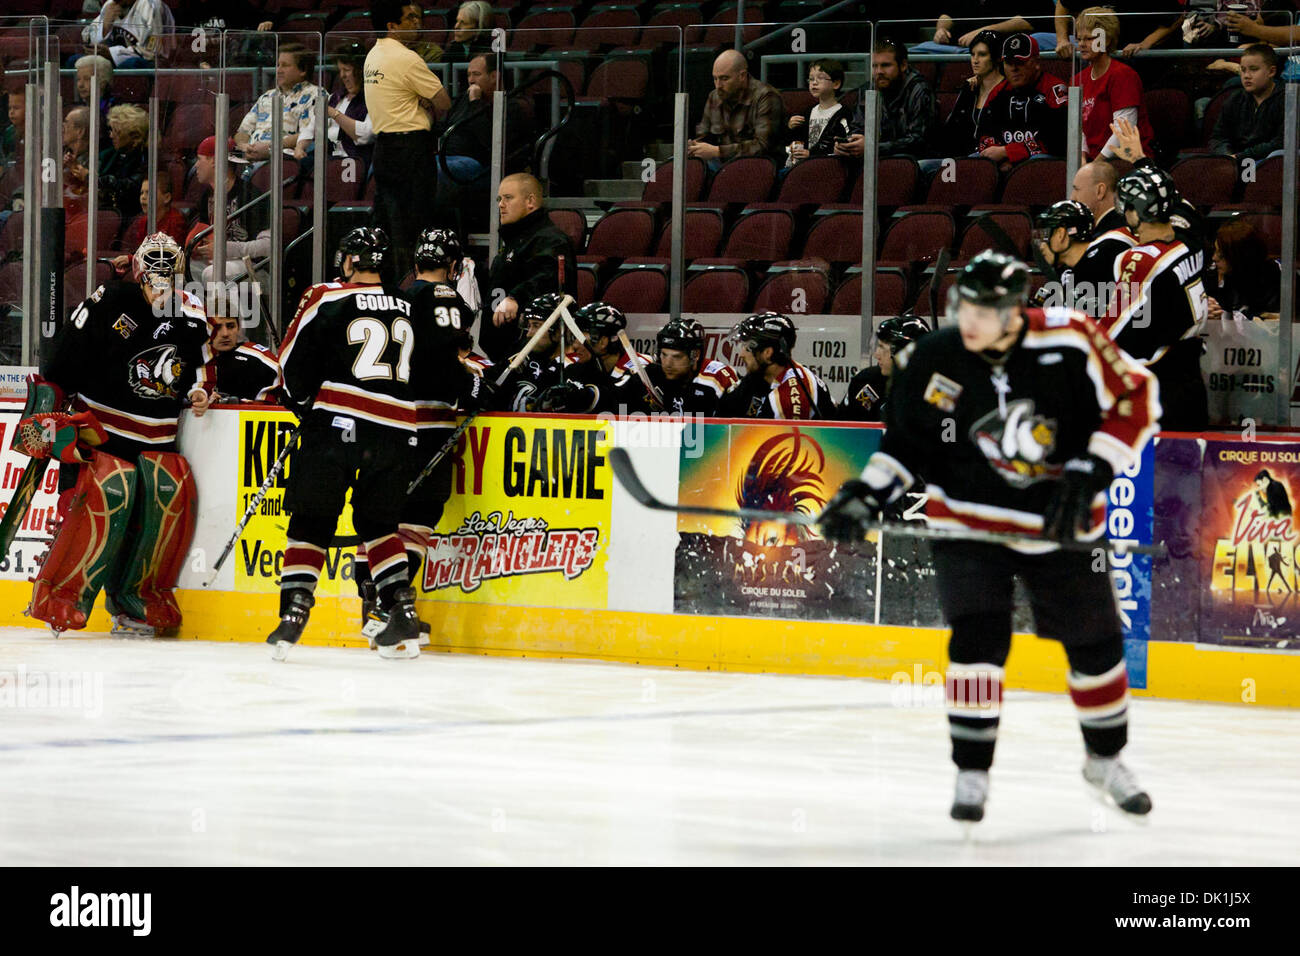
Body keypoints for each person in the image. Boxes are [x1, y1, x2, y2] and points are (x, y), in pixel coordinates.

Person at [818, 250, 1160, 823]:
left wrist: (1094, 468)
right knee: (976, 641)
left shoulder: (1072, 340)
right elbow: (906, 445)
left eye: (985, 309)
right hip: (968, 526)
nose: (969, 319)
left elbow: (1136, 397)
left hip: (1058, 527)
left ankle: (1105, 759)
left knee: (1095, 644)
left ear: (1015, 311)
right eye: (964, 305)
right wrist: (864, 494)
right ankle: (972, 770)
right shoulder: (932, 357)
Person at [25, 232, 213, 635]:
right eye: (153, 275)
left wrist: (201, 391)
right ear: (141, 272)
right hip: (102, 429)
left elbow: (204, 363)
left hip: (158, 435)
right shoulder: (110, 299)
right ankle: (59, 595)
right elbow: (65, 357)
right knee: (100, 500)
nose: (160, 286)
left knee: (163, 501)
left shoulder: (191, 311)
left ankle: (134, 598)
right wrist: (52, 407)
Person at [270, 226, 424, 661]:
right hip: (396, 429)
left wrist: (300, 405)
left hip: (337, 425)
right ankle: (402, 609)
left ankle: (294, 612)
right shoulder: (408, 306)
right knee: (379, 527)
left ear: (351, 261)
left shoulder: (327, 296)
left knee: (312, 520)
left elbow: (290, 364)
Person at [361, 226, 487, 641]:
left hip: (388, 419)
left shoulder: (395, 299)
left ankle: (373, 604)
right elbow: (444, 357)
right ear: (453, 266)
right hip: (431, 419)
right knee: (421, 512)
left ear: (416, 264)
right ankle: (386, 606)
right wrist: (472, 385)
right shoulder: (451, 299)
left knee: (383, 513)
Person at [1103, 166, 1209, 431]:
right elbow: (1184, 208)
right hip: (1192, 378)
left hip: (1159, 388)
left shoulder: (1139, 261)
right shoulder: (1192, 241)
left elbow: (1111, 327)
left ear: (1135, 212)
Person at [365, 0, 452, 283]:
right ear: (392, 26)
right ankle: (415, 286)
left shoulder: (372, 56)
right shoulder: (406, 58)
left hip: (383, 149)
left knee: (388, 223)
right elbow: (444, 101)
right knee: (415, 222)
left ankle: (389, 284)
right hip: (410, 149)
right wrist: (422, 103)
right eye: (410, 18)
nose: (417, 23)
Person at [483, 172, 577, 362]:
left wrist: (516, 297)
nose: (501, 205)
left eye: (508, 198)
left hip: (534, 355)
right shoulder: (514, 241)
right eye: (499, 199)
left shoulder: (550, 240)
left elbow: (548, 278)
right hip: (502, 352)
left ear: (530, 201)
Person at [716, 312, 838, 420]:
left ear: (768, 353)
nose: (741, 354)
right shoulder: (759, 378)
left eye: (747, 348)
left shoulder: (788, 401)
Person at [1074, 7, 1156, 162]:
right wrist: (1083, 160)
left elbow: (1123, 132)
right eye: (1079, 39)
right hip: (1094, 162)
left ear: (1107, 39)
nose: (1082, 44)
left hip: (1126, 161)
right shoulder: (1078, 79)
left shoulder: (1123, 75)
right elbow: (1079, 129)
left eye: (1089, 39)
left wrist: (1094, 166)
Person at [613, 317, 740, 416]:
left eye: (677, 357)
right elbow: (613, 400)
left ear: (695, 355)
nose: (668, 364)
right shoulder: (650, 374)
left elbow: (736, 427)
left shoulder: (717, 378)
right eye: (664, 354)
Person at [976, 34, 1068, 169]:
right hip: (1003, 161)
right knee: (973, 162)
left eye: (1020, 62)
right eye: (1008, 63)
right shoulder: (998, 92)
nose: (1014, 68)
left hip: (1042, 162)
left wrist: (1008, 153)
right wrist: (1001, 158)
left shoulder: (1055, 90)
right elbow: (984, 133)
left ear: (1036, 62)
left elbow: (1058, 141)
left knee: (1036, 162)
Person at [188, 135, 268, 286]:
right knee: (181, 270)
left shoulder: (250, 195)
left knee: (214, 273)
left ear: (214, 160)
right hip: (221, 261)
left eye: (200, 159)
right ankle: (202, 309)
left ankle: (227, 310)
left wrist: (225, 250)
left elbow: (268, 246)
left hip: (256, 268)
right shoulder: (207, 195)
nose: (196, 165)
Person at [839, 39, 936, 160]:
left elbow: (919, 140)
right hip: (877, 157)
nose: (879, 72)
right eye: (875, 66)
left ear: (903, 65)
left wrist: (872, 148)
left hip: (914, 160)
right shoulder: (868, 90)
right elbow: (857, 127)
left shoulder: (919, 90)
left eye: (886, 65)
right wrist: (848, 144)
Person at [688, 49, 785, 167]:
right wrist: (695, 147)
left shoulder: (766, 96)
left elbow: (762, 146)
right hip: (722, 165)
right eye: (715, 78)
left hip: (759, 167)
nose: (718, 85)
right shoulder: (714, 96)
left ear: (742, 76)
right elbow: (703, 136)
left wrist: (718, 151)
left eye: (724, 79)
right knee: (682, 164)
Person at [234, 44, 321, 163]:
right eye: (278, 65)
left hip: (281, 160)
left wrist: (269, 147)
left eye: (285, 65)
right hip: (249, 157)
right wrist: (244, 146)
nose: (278, 70)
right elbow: (242, 132)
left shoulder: (316, 95)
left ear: (303, 70)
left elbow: (308, 135)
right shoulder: (267, 96)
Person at [840, 314, 930, 422]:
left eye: (882, 347)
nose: (876, 355)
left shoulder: (935, 392)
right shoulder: (866, 382)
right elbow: (838, 431)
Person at [1209, 44, 1285, 162]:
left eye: (1253, 69)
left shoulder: (1287, 99)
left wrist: (1241, 157)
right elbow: (1218, 138)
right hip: (1237, 160)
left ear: (1271, 71)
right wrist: (1227, 156)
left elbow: (1281, 142)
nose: (1246, 76)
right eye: (1243, 70)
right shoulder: (1235, 99)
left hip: (1269, 162)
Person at [938, 30, 1004, 157]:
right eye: (973, 54)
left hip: (989, 157)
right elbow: (951, 129)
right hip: (961, 156)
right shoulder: (970, 88)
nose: (975, 60)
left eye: (982, 54)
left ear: (996, 58)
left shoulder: (1007, 90)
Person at [1032, 199, 1104, 313]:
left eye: (1045, 235)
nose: (1041, 246)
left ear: (1061, 234)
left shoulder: (1103, 268)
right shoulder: (1061, 273)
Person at [1205, 219, 1282, 322]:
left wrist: (1225, 317)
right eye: (1215, 251)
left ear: (1239, 257)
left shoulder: (1274, 279)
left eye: (1221, 255)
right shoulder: (1216, 274)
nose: (1214, 258)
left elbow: (1267, 323)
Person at [784, 59, 852, 167]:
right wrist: (790, 127)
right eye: (811, 79)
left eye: (820, 78)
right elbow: (796, 140)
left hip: (829, 166)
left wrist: (812, 154)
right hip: (805, 166)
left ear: (836, 83)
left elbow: (839, 143)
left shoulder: (843, 113)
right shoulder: (808, 112)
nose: (814, 83)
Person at [115, 177, 188, 272]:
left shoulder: (176, 220)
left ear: (167, 198)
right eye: (141, 193)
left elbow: (169, 256)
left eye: (148, 193)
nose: (143, 197)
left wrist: (131, 259)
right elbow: (141, 252)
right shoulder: (143, 221)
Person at [209, 311, 281, 402]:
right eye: (217, 327)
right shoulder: (193, 361)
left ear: (238, 328)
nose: (225, 334)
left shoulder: (258, 358)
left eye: (231, 326)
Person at [82, 0, 170, 69]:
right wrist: (105, 26)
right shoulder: (110, 5)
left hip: (152, 65)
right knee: (76, 61)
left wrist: (112, 54)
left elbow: (151, 52)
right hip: (115, 61)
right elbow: (86, 36)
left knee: (131, 64)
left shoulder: (150, 5)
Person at [323, 49, 373, 167]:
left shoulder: (372, 99)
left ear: (361, 71)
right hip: (328, 157)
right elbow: (311, 128)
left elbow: (366, 135)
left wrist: (335, 114)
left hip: (354, 160)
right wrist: (300, 147)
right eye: (340, 70)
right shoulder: (336, 97)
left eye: (346, 70)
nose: (342, 76)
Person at [75, 55, 118, 122]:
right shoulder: (76, 109)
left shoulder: (114, 110)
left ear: (103, 83)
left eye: (87, 79)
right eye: (78, 79)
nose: (80, 85)